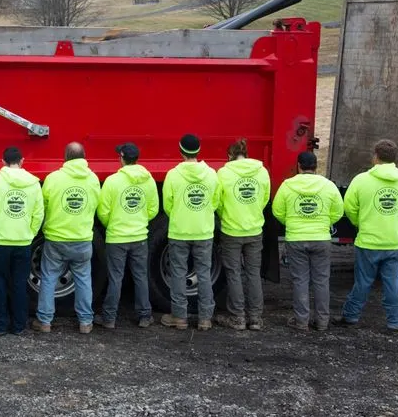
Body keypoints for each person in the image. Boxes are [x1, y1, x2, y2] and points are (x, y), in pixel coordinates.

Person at [334, 139, 398, 335]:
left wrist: (360, 223)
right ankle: (396, 322)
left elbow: (350, 207)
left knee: (363, 281)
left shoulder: (361, 180)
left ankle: (351, 316)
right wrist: (397, 221)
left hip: (368, 241)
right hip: (395, 241)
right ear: (394, 158)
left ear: (375, 156)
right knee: (392, 282)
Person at [31, 142, 101, 335]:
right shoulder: (93, 179)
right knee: (83, 280)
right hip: (82, 239)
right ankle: (86, 322)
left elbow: (43, 205)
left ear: (66, 157)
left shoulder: (53, 179)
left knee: (48, 279)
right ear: (84, 157)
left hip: (56, 239)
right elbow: (96, 204)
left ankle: (44, 321)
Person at [272, 150, 344, 332]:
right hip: (321, 238)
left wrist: (292, 223)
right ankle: (322, 322)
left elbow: (277, 210)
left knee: (300, 280)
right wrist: (324, 223)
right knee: (321, 281)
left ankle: (301, 322)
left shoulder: (288, 185)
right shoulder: (328, 186)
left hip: (296, 238)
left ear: (298, 166)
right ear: (316, 166)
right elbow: (338, 211)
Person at [95, 142, 159, 329]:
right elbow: (153, 209)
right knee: (141, 276)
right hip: (139, 236)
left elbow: (103, 211)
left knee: (116, 278)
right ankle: (145, 316)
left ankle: (109, 318)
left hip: (117, 237)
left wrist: (112, 225)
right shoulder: (148, 180)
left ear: (121, 158)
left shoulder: (113, 181)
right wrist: (140, 221)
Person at [161, 133, 221, 331]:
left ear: (181, 151)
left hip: (179, 231)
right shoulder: (212, 174)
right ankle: (205, 318)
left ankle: (180, 317)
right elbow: (214, 202)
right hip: (204, 232)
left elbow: (168, 205)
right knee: (204, 273)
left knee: (178, 273)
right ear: (198, 151)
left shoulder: (173, 175)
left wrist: (180, 215)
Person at [0, 146, 44, 335]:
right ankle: (18, 325)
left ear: (3, 162)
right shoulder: (33, 183)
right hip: (23, 241)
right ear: (22, 161)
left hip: (0, 241)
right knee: (19, 284)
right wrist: (30, 233)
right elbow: (38, 213)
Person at [215, 138, 271, 331]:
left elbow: (218, 202)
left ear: (229, 155)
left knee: (234, 273)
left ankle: (237, 317)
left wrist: (225, 215)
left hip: (231, 229)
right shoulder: (262, 172)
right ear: (246, 154)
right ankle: (255, 318)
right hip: (255, 230)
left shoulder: (223, 173)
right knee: (254, 273)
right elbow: (264, 198)